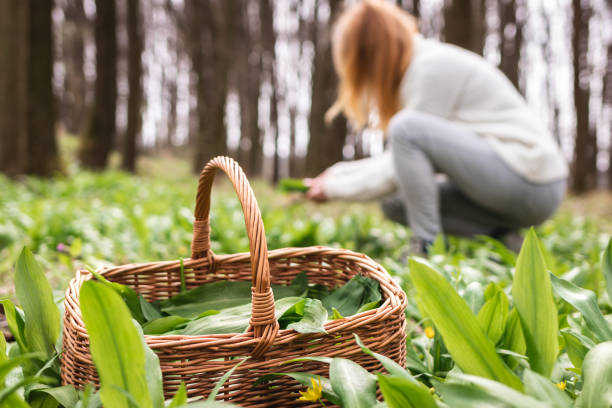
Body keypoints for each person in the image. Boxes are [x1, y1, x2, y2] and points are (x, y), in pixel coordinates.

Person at [304, 0, 568, 253]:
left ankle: (426, 247)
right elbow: (398, 163)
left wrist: (334, 189)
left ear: (370, 52)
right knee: (395, 204)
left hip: (533, 181)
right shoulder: (417, 70)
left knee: (405, 129)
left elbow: (396, 160)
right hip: (510, 184)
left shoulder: (429, 67)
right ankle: (505, 240)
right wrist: (335, 175)